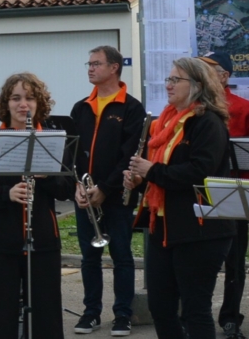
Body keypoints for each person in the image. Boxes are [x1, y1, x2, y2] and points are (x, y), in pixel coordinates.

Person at [123, 57, 236, 339]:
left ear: (197, 86)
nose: (169, 85)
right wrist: (139, 179)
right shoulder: (165, 122)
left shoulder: (208, 122)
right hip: (164, 226)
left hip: (200, 229)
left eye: (176, 80)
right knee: (160, 306)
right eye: (169, 79)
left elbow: (199, 172)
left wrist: (152, 171)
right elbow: (158, 175)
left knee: (195, 309)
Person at [0, 72, 71, 339]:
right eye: (16, 98)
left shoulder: (52, 140)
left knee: (46, 316)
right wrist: (7, 193)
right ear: (6, 103)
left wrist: (46, 177)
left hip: (43, 240)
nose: (23, 104)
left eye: (30, 98)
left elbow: (67, 189)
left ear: (39, 103)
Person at [70, 46, 146, 336]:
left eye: (96, 64)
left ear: (114, 67)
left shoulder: (132, 108)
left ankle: (123, 315)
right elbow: (73, 154)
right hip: (85, 197)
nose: (90, 68)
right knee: (89, 257)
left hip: (116, 197)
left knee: (122, 256)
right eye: (88, 63)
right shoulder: (81, 107)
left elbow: (129, 154)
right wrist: (78, 186)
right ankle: (91, 313)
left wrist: (105, 188)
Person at [199, 52, 249, 339]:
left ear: (225, 77)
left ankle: (230, 317)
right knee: (197, 260)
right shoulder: (191, 109)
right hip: (199, 193)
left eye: (209, 69)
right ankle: (195, 312)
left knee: (235, 261)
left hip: (235, 194)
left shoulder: (247, 109)